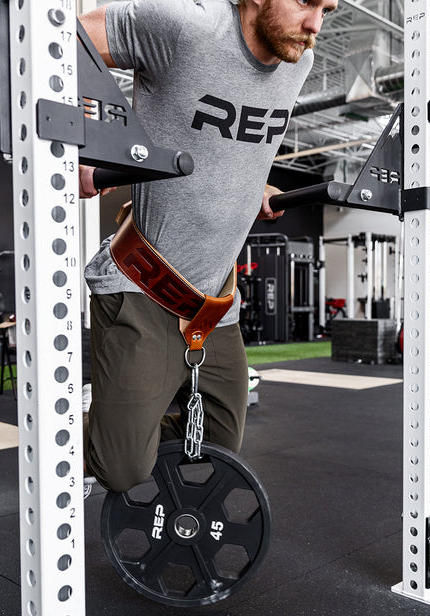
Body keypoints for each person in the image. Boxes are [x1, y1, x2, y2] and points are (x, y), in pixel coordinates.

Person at [78, 0, 337, 494]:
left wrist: (253, 186)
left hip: (215, 303)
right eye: (307, 3)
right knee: (121, 469)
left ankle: (127, 428)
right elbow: (66, 41)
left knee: (219, 440)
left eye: (327, 9)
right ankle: (88, 440)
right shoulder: (182, 27)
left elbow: (243, 141)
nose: (315, 26)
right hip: (142, 285)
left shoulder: (295, 62)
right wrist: (91, 140)